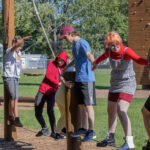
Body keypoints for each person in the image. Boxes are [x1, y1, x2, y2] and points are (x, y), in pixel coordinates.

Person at [92, 31, 148, 150]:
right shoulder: (108, 52)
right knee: (110, 111)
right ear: (108, 45)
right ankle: (110, 137)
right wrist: (94, 63)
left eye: (117, 44)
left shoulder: (126, 51)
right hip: (115, 83)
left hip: (127, 83)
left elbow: (138, 59)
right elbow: (102, 57)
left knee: (121, 110)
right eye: (112, 45)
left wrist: (148, 62)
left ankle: (129, 142)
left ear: (120, 42)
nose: (115, 47)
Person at [60, 25, 96, 142]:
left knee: (88, 105)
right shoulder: (74, 45)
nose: (65, 40)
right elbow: (76, 59)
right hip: (79, 78)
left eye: (65, 37)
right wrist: (66, 68)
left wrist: (93, 62)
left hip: (87, 78)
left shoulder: (82, 42)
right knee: (81, 105)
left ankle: (91, 131)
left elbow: (89, 54)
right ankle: (83, 128)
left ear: (71, 34)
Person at [35, 51, 72, 140]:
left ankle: (54, 131)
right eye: (59, 60)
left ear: (65, 62)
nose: (59, 62)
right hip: (43, 89)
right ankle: (44, 128)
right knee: (37, 109)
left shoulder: (64, 69)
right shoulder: (51, 63)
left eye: (62, 61)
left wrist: (62, 82)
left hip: (52, 91)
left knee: (50, 111)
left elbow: (66, 79)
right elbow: (48, 75)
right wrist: (59, 82)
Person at [3, 35, 32, 127]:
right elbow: (14, 47)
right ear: (14, 44)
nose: (20, 48)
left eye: (21, 47)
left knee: (14, 97)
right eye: (19, 46)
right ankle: (16, 118)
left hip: (15, 77)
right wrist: (23, 39)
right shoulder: (9, 51)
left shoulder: (18, 53)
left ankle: (10, 117)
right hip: (9, 76)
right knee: (14, 97)